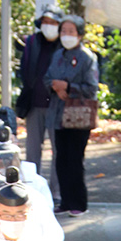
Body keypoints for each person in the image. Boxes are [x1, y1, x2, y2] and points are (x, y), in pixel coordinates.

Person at [45, 14, 99, 217]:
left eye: (71, 31)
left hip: (79, 116)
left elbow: (91, 88)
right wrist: (54, 87)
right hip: (58, 114)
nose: (66, 35)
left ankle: (79, 202)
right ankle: (65, 201)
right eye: (63, 31)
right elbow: (47, 77)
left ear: (80, 34)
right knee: (61, 158)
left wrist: (68, 87)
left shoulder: (87, 58)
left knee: (75, 159)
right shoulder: (57, 55)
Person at [17, 5, 63, 206]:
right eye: (45, 22)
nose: (48, 26)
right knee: (32, 151)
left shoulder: (64, 45)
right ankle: (32, 191)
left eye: (53, 22)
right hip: (35, 104)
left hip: (58, 105)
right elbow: (24, 70)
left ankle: (56, 193)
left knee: (58, 151)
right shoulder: (32, 43)